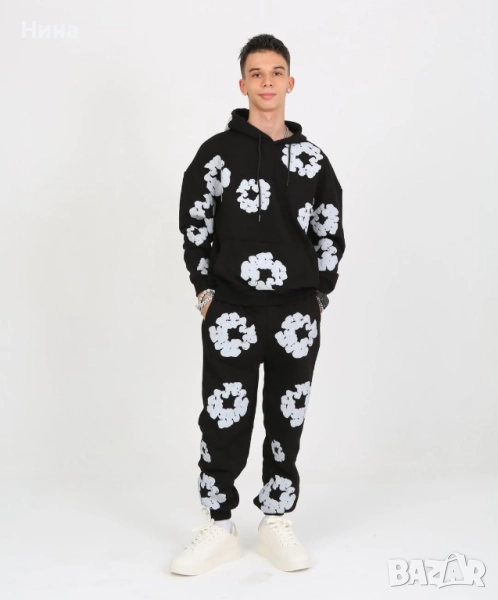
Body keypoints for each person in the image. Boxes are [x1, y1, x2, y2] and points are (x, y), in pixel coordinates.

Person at [171, 33, 346, 576]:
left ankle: (276, 520)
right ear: (242, 83)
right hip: (232, 311)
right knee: (223, 416)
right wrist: (205, 291)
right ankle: (219, 525)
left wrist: (319, 294)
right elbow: (194, 223)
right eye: (256, 73)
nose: (266, 82)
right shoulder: (217, 154)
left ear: (290, 82)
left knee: (287, 415)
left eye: (275, 73)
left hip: (296, 314)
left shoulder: (313, 160)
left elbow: (329, 228)